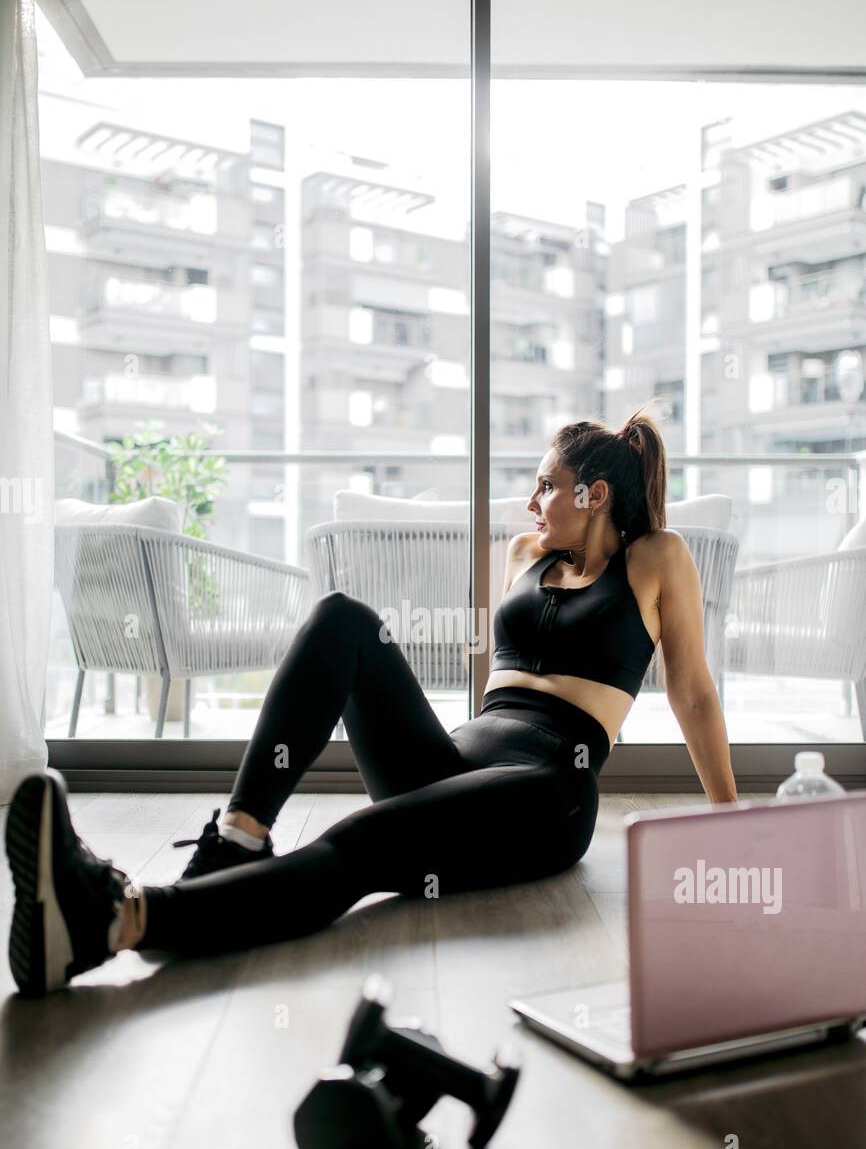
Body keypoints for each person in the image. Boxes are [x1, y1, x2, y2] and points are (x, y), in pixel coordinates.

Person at [6, 405, 738, 997]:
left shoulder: (656, 558)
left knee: (359, 844)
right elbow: (492, 678)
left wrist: (731, 823)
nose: (532, 500)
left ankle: (119, 920)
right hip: (457, 759)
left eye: (547, 484)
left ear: (595, 494)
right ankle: (238, 839)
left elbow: (694, 695)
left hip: (546, 791)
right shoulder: (523, 555)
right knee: (341, 617)